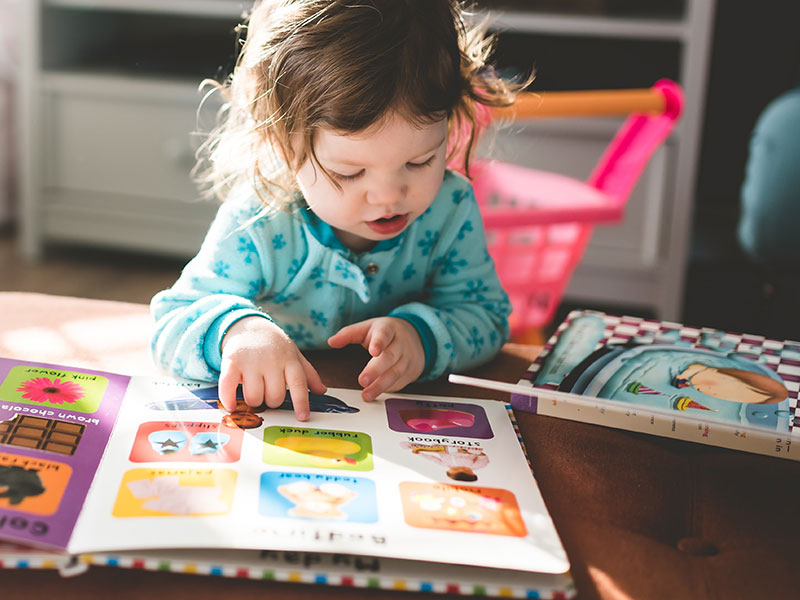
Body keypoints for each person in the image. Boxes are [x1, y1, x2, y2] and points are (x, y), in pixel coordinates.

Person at [150, 0, 526, 421]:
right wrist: (238, 331)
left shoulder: (450, 209)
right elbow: (172, 321)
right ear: (281, 146)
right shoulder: (260, 217)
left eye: (419, 162)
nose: (388, 196)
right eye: (349, 172)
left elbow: (487, 318)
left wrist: (421, 337)